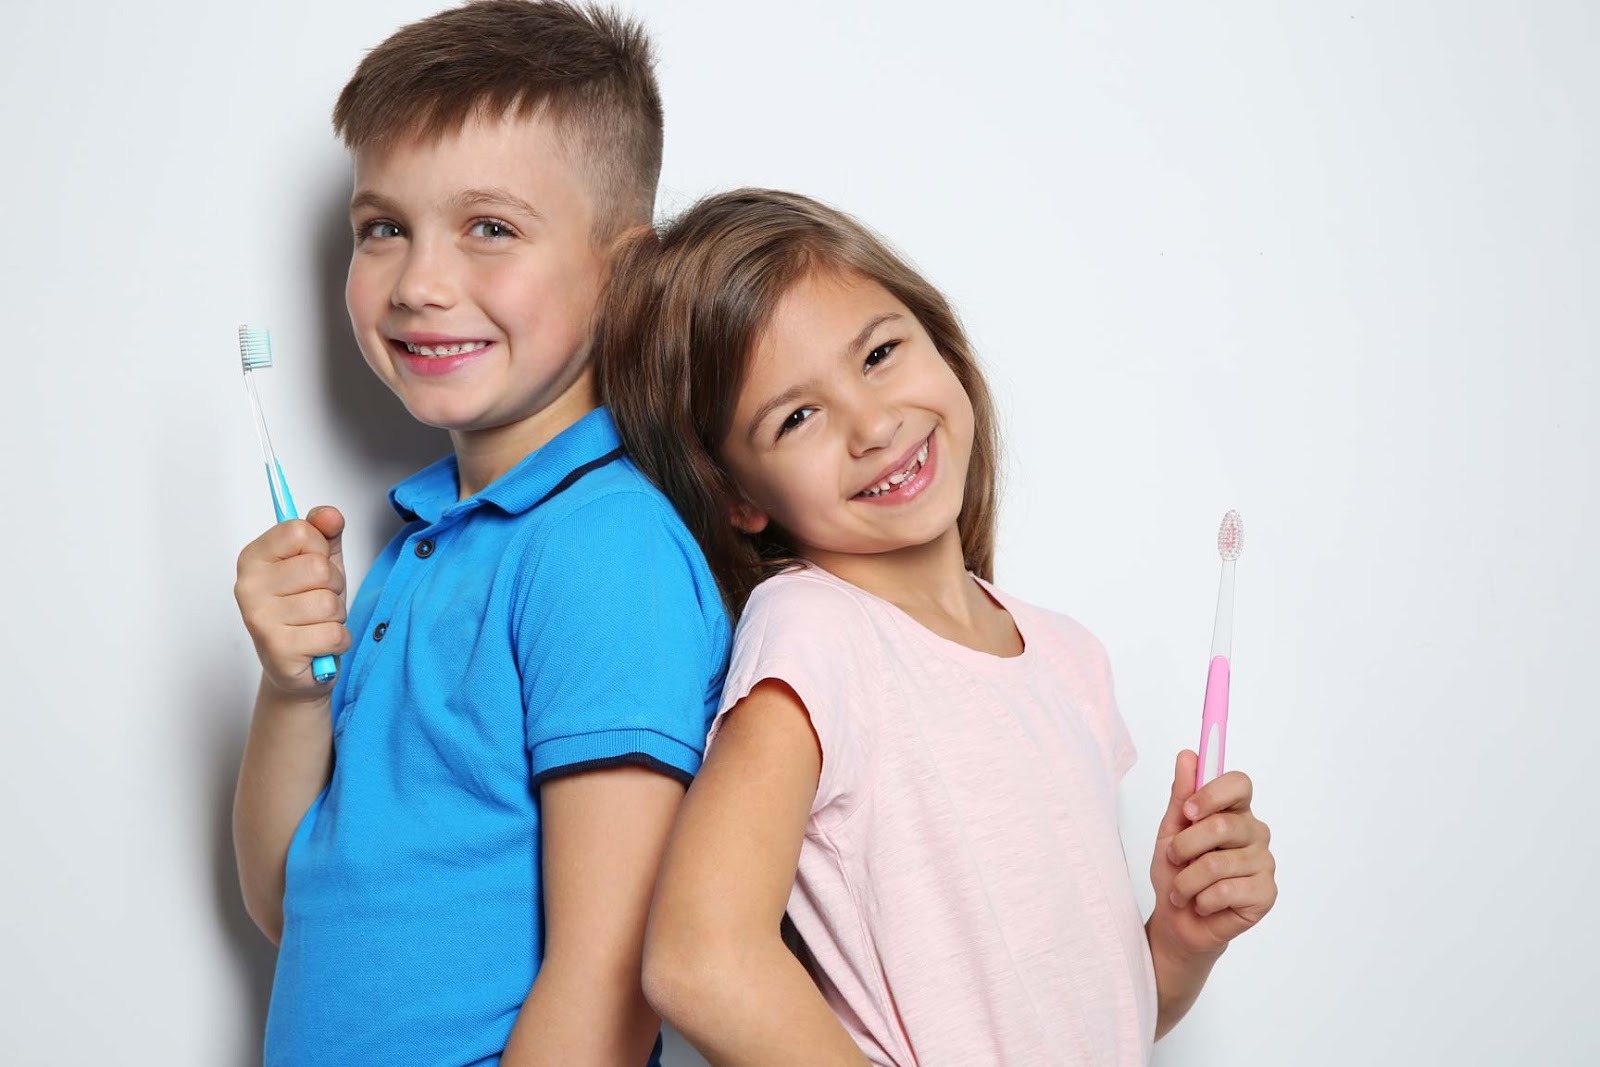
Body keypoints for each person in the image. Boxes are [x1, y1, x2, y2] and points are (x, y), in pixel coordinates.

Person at [596, 188, 1278, 1065]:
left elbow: (1084, 1020)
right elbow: (700, 957)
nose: (874, 425)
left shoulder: (1068, 657)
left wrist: (1180, 943)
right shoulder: (815, 632)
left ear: (938, 338)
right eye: (797, 417)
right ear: (737, 497)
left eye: (879, 354)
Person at [230, 4, 730, 1063]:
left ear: (623, 272)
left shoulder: (602, 550)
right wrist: (291, 689)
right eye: (383, 227)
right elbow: (288, 903)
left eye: (489, 228)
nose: (419, 283)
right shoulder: (423, 544)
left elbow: (605, 975)